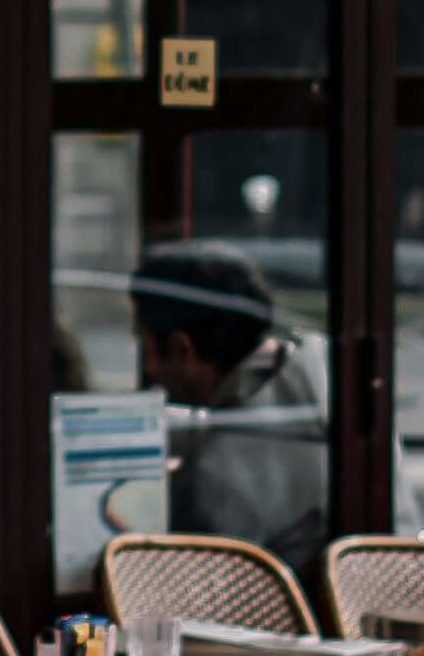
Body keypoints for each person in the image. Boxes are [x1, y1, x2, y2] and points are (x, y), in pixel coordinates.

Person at [129, 240, 333, 570]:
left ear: (182, 349)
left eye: (146, 347)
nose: (148, 369)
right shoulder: (322, 364)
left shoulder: (219, 476)